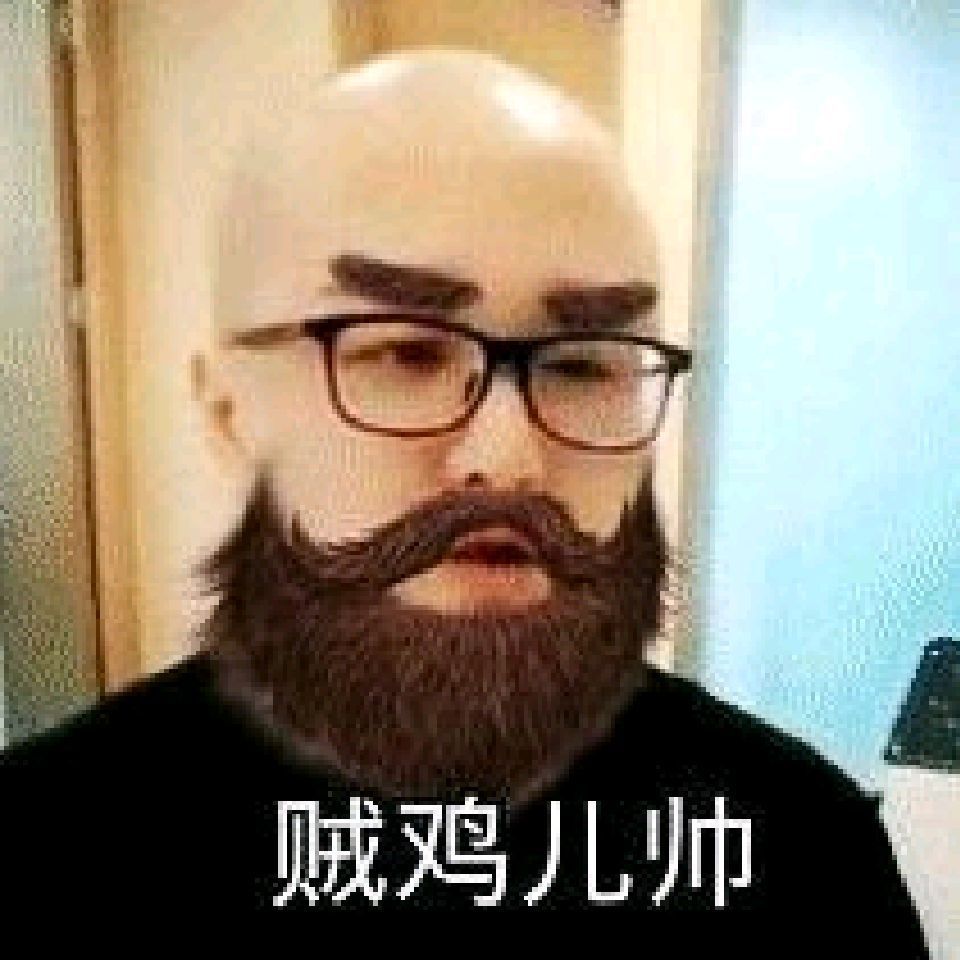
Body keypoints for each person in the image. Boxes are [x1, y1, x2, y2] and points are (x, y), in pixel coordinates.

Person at [0, 49, 930, 941]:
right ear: (229, 410)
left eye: (583, 362)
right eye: (407, 352)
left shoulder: (800, 849)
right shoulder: (45, 849)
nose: (509, 457)